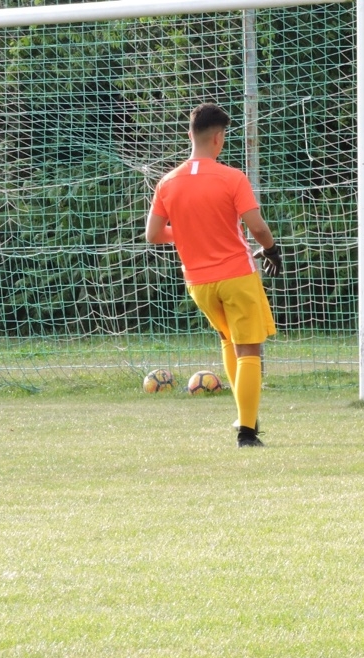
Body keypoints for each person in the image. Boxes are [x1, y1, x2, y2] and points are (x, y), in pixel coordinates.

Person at [145, 102, 283, 448]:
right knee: (248, 348)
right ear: (219, 138)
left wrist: (189, 232)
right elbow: (257, 227)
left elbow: (154, 234)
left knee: (228, 341)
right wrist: (271, 249)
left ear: (189, 134)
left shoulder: (167, 182)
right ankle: (247, 432)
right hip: (236, 275)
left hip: (198, 283)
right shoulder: (231, 177)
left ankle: (244, 414)